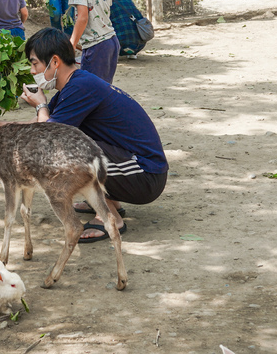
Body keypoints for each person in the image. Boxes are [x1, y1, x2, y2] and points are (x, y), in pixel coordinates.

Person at [19, 27, 168, 243]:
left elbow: (48, 136)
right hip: (137, 169)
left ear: (54, 62)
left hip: (146, 175)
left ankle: (109, 217)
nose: (33, 71)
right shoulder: (73, 86)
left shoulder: (80, 86)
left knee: (63, 153)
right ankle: (111, 201)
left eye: (35, 64)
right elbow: (41, 125)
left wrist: (40, 104)